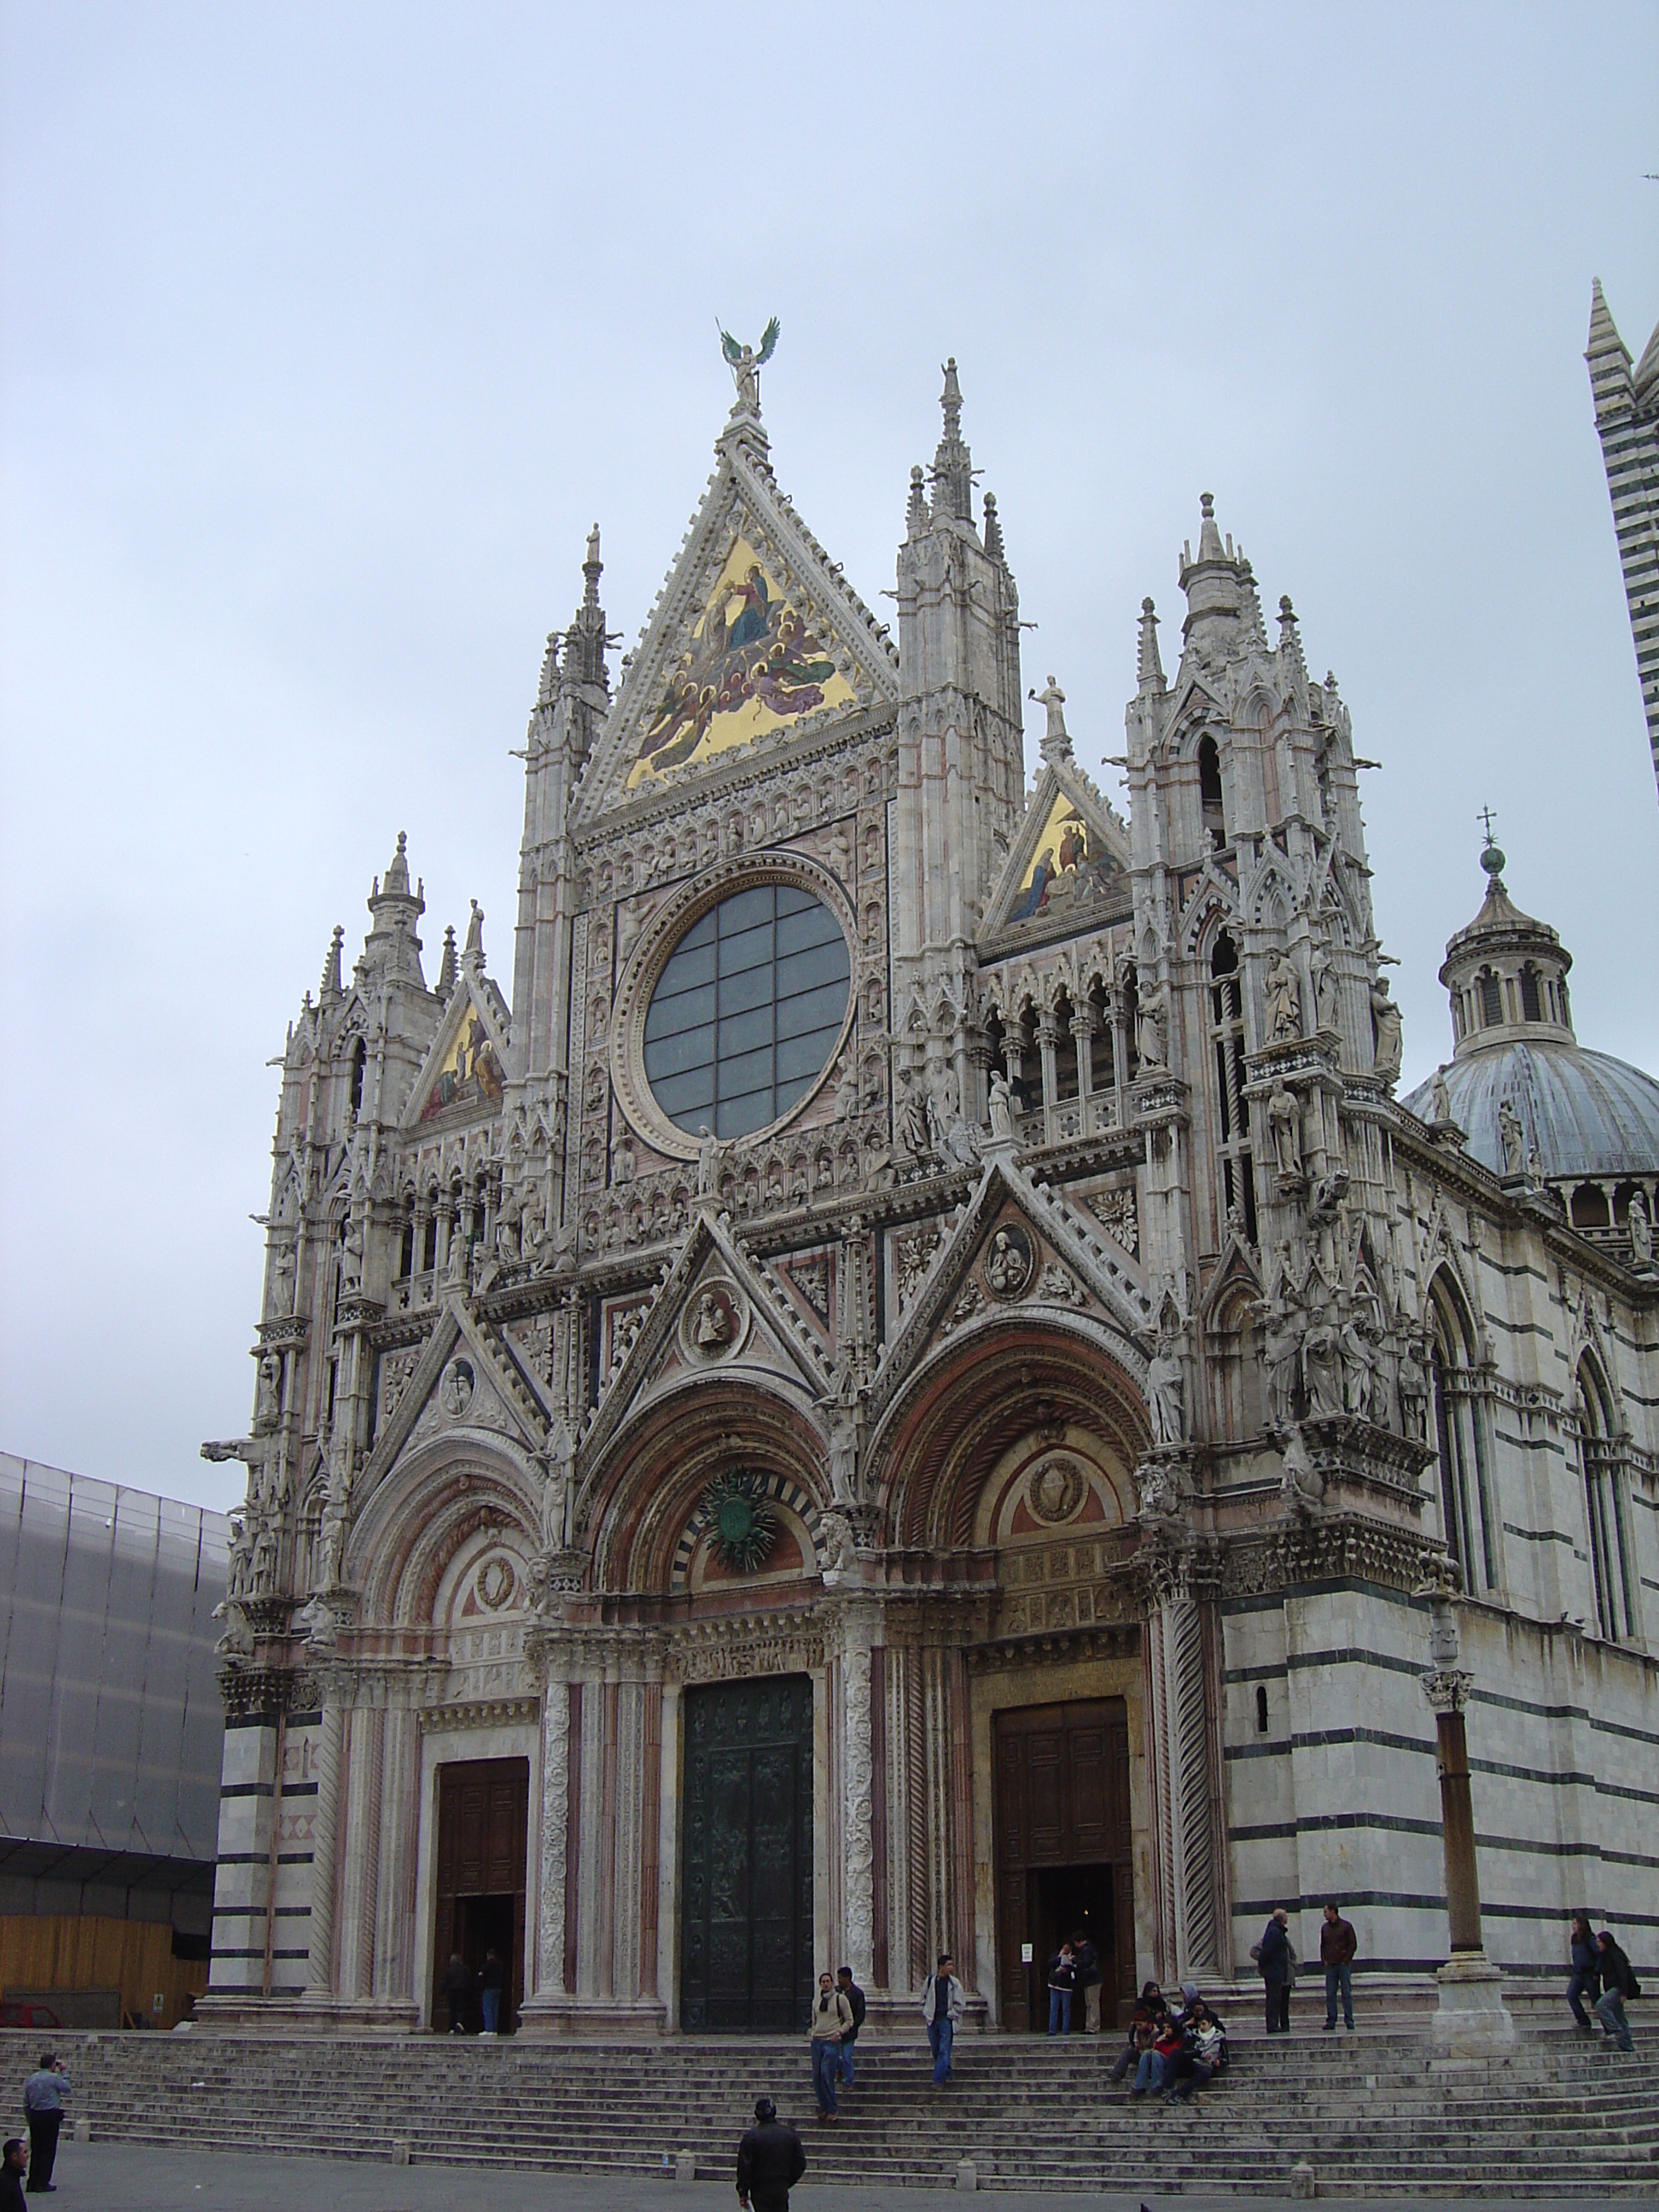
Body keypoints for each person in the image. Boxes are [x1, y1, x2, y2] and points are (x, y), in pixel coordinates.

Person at [736, 2094, 806, 2212]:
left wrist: (743, 2191)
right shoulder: (789, 2135)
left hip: (759, 2187)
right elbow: (800, 2162)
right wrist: (787, 2181)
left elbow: (744, 2167)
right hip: (781, 2185)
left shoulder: (751, 2137)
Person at [1164, 1998, 1228, 2104]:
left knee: (1205, 2072)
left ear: (1210, 2023)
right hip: (1193, 2062)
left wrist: (1219, 2062)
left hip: (1206, 2066)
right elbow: (1186, 2052)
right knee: (1175, 2053)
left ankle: (1180, 2094)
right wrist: (1199, 2054)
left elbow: (1226, 2057)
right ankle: (1167, 2088)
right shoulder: (1193, 2035)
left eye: (1204, 2024)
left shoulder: (1219, 2037)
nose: (1201, 2027)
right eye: (1199, 2025)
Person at [21, 2055, 68, 2195]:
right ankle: (43, 2182)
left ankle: (32, 2181)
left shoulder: (31, 2079)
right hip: (49, 2115)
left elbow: (26, 2102)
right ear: (52, 2065)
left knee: (36, 2149)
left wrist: (29, 2118)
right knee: (48, 2150)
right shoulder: (53, 2078)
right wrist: (64, 2072)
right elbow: (67, 2088)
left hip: (35, 2115)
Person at [808, 1972, 852, 2121]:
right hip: (817, 2042)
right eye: (823, 1981)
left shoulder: (841, 1999)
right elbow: (814, 2020)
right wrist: (812, 2033)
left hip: (831, 2041)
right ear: (820, 1984)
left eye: (828, 1981)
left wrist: (838, 2033)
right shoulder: (816, 2001)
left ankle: (832, 2109)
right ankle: (824, 2107)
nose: (826, 1984)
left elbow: (849, 2021)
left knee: (826, 2074)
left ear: (832, 1983)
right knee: (816, 2077)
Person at [921, 1951, 965, 2087]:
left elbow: (961, 2003)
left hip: (946, 2019)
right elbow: (923, 1998)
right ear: (941, 1967)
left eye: (952, 1965)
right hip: (933, 2019)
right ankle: (948, 2072)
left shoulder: (954, 1983)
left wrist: (952, 2012)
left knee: (944, 2050)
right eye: (948, 1965)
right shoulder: (930, 1981)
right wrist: (926, 2010)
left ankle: (938, 2081)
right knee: (935, 2049)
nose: (951, 1968)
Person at [1109, 1982, 1167, 2083]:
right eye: (1153, 1991)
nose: (1155, 1993)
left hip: (1152, 2056)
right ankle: (1116, 2074)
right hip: (1142, 2052)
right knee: (1128, 2053)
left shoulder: (1156, 2031)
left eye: (1157, 1991)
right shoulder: (1137, 2031)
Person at [1594, 1930, 1639, 2052]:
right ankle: (1627, 2045)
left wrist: (1624, 1992)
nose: (1598, 1944)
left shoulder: (1615, 1955)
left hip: (1618, 1988)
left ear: (1605, 1943)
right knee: (1620, 2017)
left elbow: (1622, 1974)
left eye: (1599, 1942)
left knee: (1601, 2005)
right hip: (1613, 1988)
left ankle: (1614, 2030)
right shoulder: (1605, 1956)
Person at [1320, 1901, 1357, 2031]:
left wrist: (1346, 1960)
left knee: (1346, 1993)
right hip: (1330, 1965)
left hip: (1342, 1965)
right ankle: (1331, 2020)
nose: (1324, 1914)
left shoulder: (1346, 1926)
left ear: (1332, 1911)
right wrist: (1324, 1960)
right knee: (1330, 1994)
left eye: (1326, 1912)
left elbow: (1352, 1944)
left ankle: (1349, 2019)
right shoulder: (1325, 1928)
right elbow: (1323, 1945)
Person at [1256, 1907, 1292, 2034]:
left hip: (1276, 1970)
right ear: (1282, 1918)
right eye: (1286, 1916)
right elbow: (1266, 1951)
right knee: (1273, 1998)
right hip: (1274, 1971)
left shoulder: (1275, 1931)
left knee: (1275, 1998)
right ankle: (1272, 2024)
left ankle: (1273, 2023)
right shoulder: (1275, 1932)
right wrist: (1262, 1965)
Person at [1566, 1914, 1601, 2033]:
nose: (1573, 1926)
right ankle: (1583, 2020)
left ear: (1581, 1925)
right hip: (1578, 1973)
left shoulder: (1589, 1938)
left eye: (1575, 1923)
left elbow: (1599, 1955)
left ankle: (1611, 2027)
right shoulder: (1574, 1939)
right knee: (1571, 1995)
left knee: (1597, 2001)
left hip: (1589, 1974)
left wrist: (1596, 1971)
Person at [835, 1965, 865, 2089]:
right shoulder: (836, 1992)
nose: (839, 1981)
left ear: (847, 1978)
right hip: (836, 2030)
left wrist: (853, 2026)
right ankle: (840, 2069)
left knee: (847, 2056)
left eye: (841, 1978)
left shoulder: (857, 1994)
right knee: (834, 2055)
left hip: (849, 2031)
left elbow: (861, 2013)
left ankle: (849, 2082)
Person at [1071, 1928, 1103, 2034]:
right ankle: (1089, 2026)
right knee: (1089, 2003)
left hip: (1093, 1979)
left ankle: (1094, 2026)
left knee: (1093, 2003)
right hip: (1089, 1980)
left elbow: (1086, 1962)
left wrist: (1074, 1960)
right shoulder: (1087, 1949)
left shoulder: (1087, 1949)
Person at [1046, 1941, 1076, 2035]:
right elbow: (1050, 1964)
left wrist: (1067, 1969)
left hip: (1066, 1986)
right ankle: (1052, 2030)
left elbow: (1075, 1970)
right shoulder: (1056, 1955)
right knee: (1053, 2008)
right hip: (1055, 1985)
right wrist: (1059, 1957)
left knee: (1066, 2009)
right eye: (1064, 1948)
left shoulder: (1074, 1957)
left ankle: (1065, 2030)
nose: (1066, 1950)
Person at [440, 1950, 471, 2034]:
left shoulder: (448, 1970)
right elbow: (468, 1980)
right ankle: (459, 2022)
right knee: (461, 2008)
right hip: (462, 1991)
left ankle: (451, 2028)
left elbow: (445, 1982)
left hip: (451, 1992)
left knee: (452, 2009)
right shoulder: (465, 1969)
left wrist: (442, 1992)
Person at [479, 1946, 505, 2036]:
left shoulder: (488, 1964)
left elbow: (481, 1974)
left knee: (488, 2009)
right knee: (495, 2009)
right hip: (498, 1988)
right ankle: (494, 2029)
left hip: (489, 1988)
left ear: (488, 1955)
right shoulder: (500, 1964)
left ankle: (489, 2029)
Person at [2, 2139, 26, 2212]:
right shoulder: (5, 2183)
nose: (28, 2156)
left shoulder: (12, 2178)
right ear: (14, 2156)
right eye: (25, 2152)